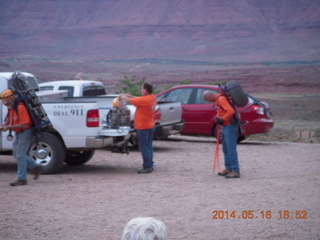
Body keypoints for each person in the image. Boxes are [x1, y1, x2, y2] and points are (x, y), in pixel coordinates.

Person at [0, 89, 42, 186]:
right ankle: (36, 167)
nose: (5, 104)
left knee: (20, 155)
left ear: (11, 99)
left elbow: (25, 124)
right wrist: (4, 125)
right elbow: (10, 120)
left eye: (6, 102)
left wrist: (9, 127)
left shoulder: (20, 107)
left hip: (25, 132)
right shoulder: (11, 107)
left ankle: (22, 178)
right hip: (18, 133)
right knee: (17, 154)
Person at [120, 83, 157, 174]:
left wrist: (122, 96)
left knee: (144, 147)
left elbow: (128, 101)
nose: (141, 90)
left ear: (145, 90)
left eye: (142, 88)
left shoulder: (144, 100)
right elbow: (139, 99)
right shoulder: (152, 98)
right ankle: (150, 164)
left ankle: (147, 166)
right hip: (150, 126)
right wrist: (130, 96)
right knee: (148, 146)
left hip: (143, 127)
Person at [203, 90, 241, 178]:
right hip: (225, 126)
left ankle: (235, 171)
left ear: (211, 95)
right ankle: (229, 168)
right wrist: (218, 118)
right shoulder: (219, 100)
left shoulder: (221, 99)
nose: (209, 102)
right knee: (225, 149)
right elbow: (223, 111)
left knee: (231, 149)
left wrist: (222, 119)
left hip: (229, 126)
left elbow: (230, 111)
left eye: (208, 100)